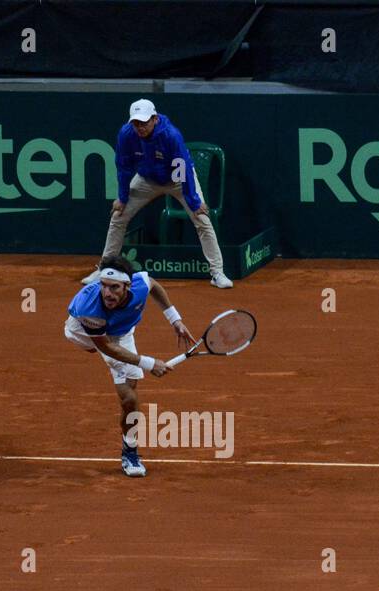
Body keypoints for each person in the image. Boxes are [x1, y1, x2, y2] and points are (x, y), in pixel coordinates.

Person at [65, 255, 197, 476]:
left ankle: (130, 450)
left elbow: (153, 285)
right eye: (104, 286)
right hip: (83, 333)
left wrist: (175, 319)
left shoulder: (140, 284)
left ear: (127, 285)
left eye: (114, 287)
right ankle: (98, 352)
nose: (107, 293)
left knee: (129, 398)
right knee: (97, 349)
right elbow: (106, 347)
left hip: (121, 334)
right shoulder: (89, 306)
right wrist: (148, 363)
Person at [83, 99, 233, 290]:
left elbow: (182, 168)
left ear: (154, 119)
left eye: (144, 122)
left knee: (202, 219)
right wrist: (122, 197)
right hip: (147, 179)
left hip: (177, 178)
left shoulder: (170, 135)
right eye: (136, 123)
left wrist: (193, 201)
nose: (140, 127)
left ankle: (217, 273)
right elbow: (123, 167)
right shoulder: (126, 134)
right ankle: (104, 269)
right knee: (118, 217)